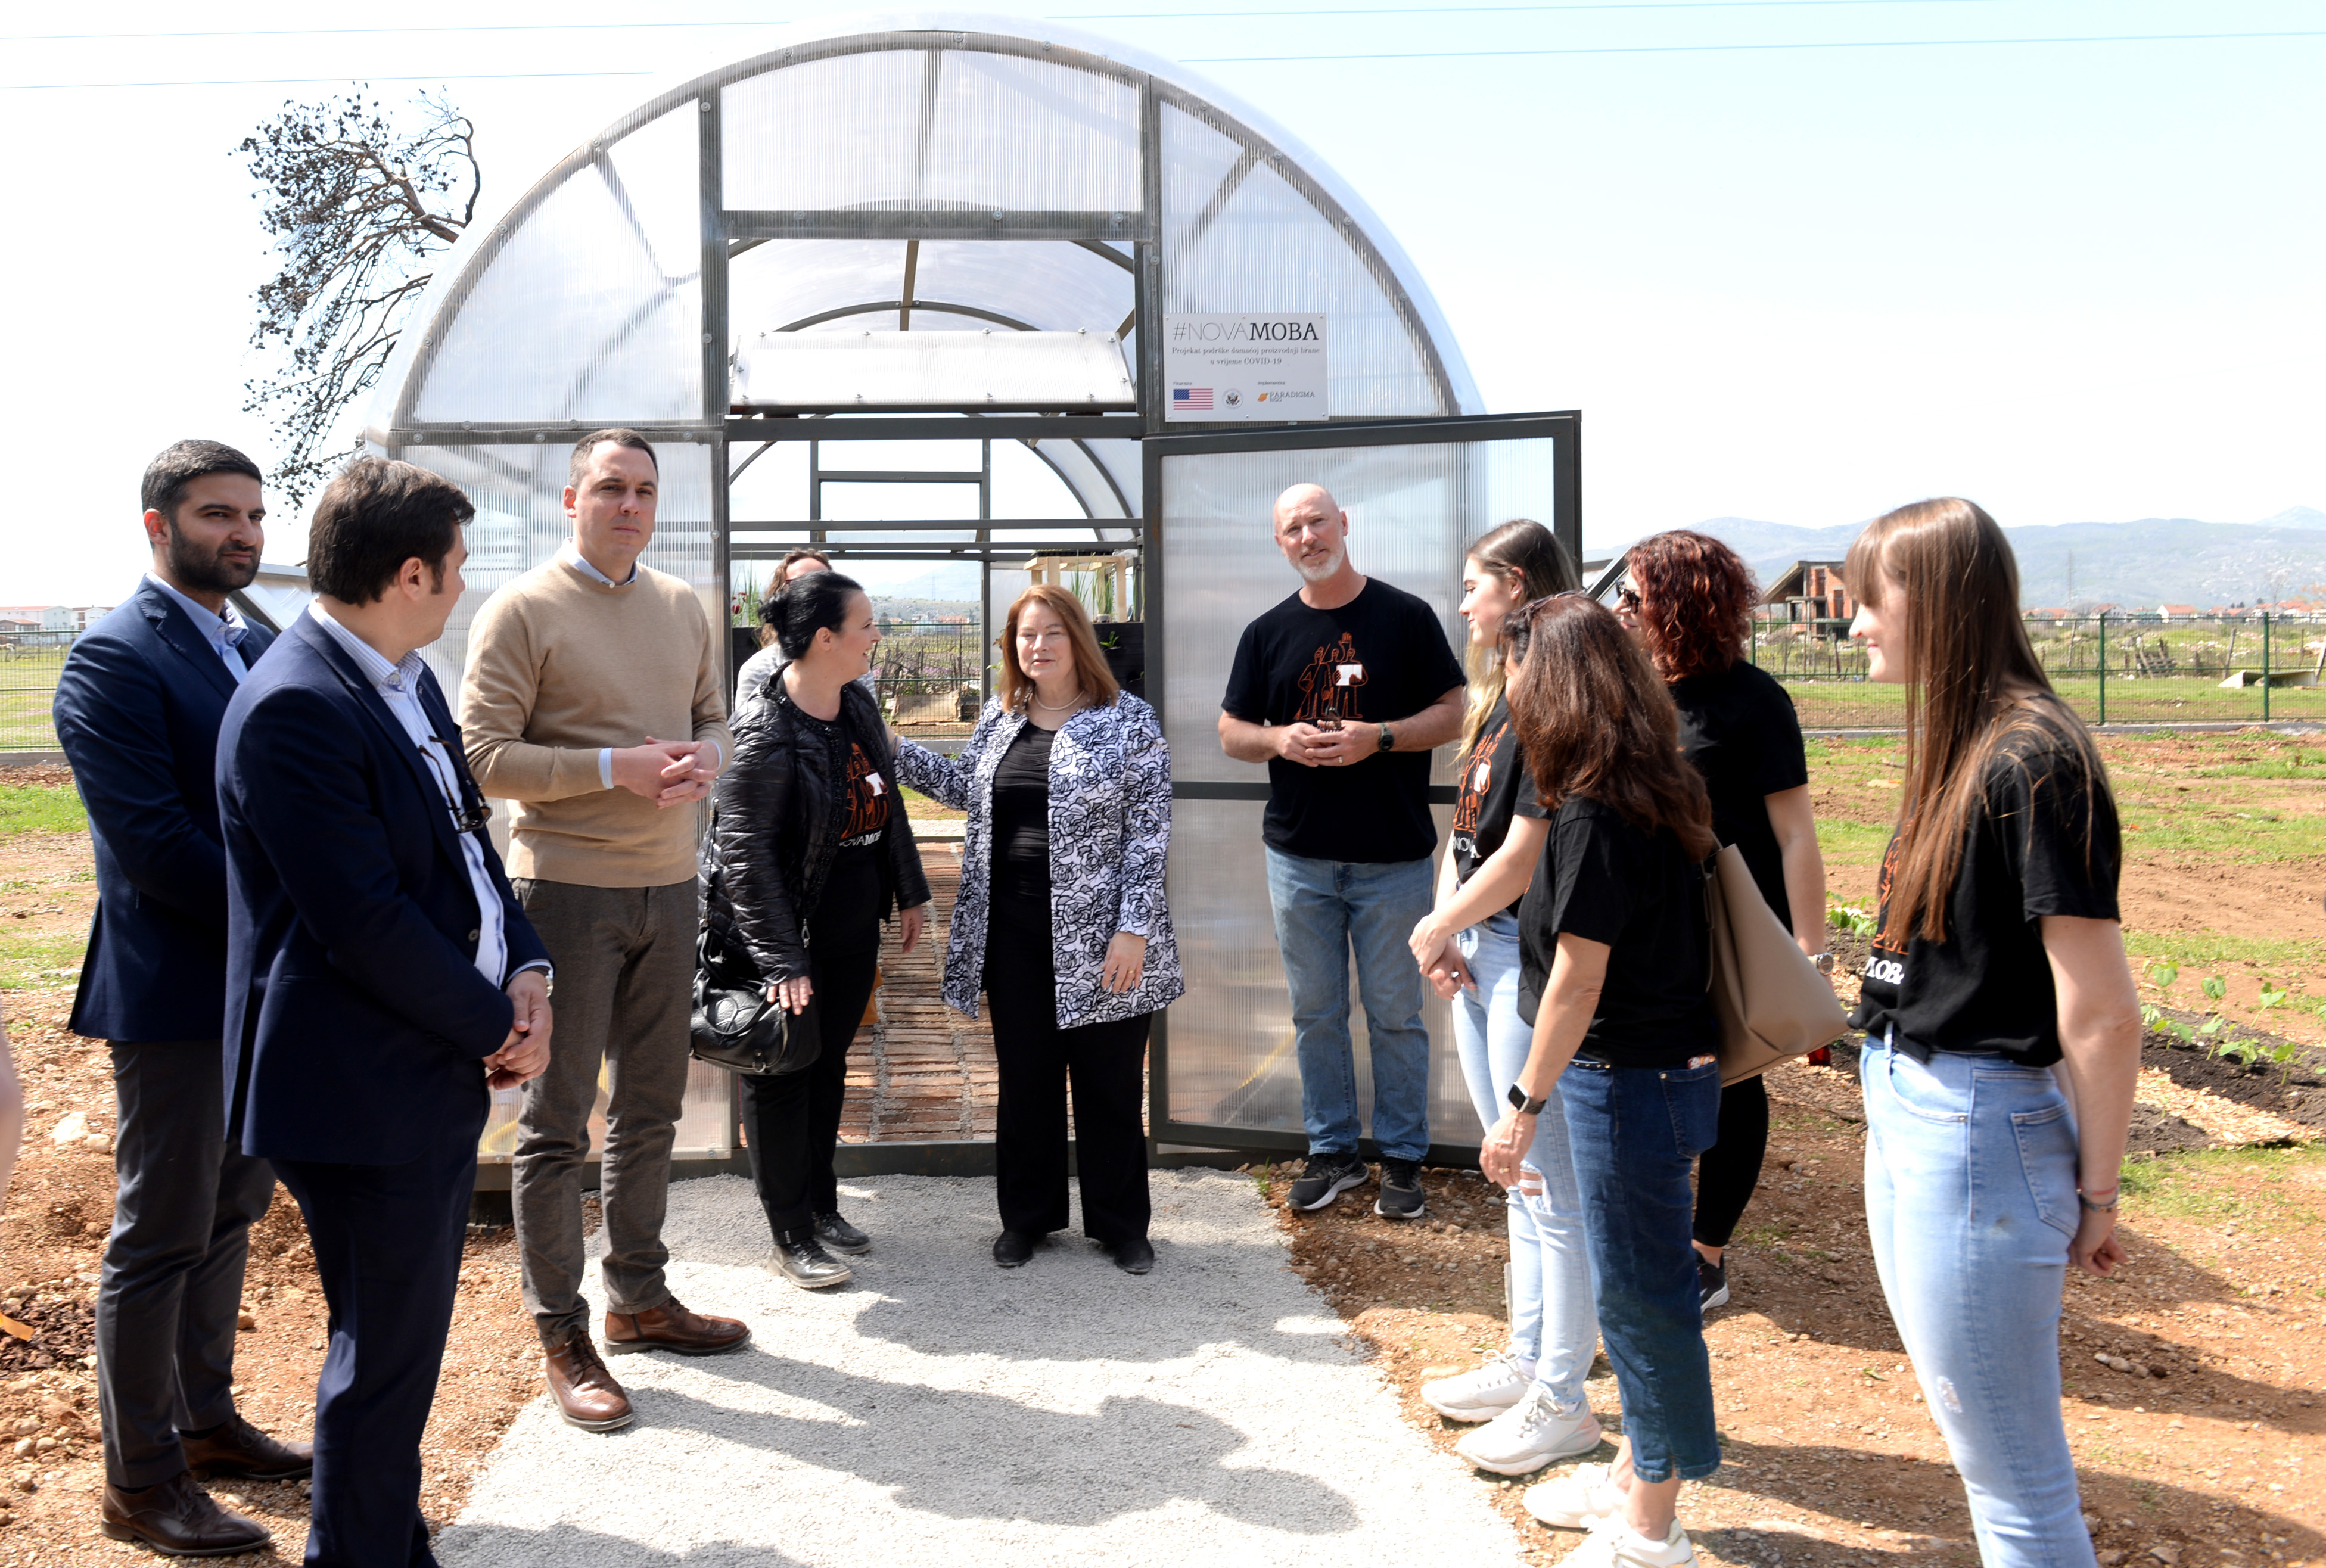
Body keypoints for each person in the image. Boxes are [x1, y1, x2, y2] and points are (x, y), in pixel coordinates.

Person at [218, 457, 554, 1568]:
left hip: (417, 1061)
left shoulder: (398, 676)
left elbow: (468, 845)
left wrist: (529, 970)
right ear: (409, 572)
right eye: (455, 568)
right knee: (386, 1353)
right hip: (361, 1082)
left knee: (396, 1342)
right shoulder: (296, 705)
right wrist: (488, 1025)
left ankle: (380, 1534)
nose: (462, 587)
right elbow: (358, 920)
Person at [1845, 499, 2138, 1568]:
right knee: (1987, 1449)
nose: (1855, 623)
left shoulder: (2031, 758)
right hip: (1917, 1109)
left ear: (1928, 597)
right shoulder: (1973, 743)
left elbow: (2101, 1012)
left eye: (1867, 597)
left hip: (1971, 1128)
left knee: (2012, 1472)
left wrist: (2094, 1194)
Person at [461, 428, 750, 1435]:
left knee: (652, 1109)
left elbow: (716, 715)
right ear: (572, 500)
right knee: (555, 1124)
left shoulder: (681, 607)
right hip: (565, 893)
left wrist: (704, 761)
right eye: (610, 488)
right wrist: (609, 770)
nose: (629, 505)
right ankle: (561, 1329)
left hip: (669, 889)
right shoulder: (522, 609)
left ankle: (638, 1296)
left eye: (643, 491)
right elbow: (483, 755)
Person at [52, 439, 304, 1556]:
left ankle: (204, 1422)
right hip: (175, 990)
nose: (242, 533)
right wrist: (307, 913)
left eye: (252, 514)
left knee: (230, 1208)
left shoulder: (257, 638)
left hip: (260, 988)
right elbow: (154, 845)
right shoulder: (112, 658)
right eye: (217, 514)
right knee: (157, 1231)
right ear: (158, 524)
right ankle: (140, 1480)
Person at [1479, 595, 1722, 1568]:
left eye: (1514, 671)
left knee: (1641, 1302)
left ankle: (1650, 1530)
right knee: (1642, 1292)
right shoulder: (1645, 781)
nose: (1504, 692)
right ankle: (1636, 1477)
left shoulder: (1592, 811)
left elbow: (1578, 979)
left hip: (1625, 1081)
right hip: (1648, 1079)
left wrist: (1518, 1111)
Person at [892, 584, 1183, 1273]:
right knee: (1027, 1081)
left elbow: (1149, 832)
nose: (1038, 646)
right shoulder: (1001, 718)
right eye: (1025, 635)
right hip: (1012, 931)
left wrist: (1133, 928)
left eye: (1051, 632)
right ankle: (1027, 1218)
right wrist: (894, 747)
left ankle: (1121, 1226)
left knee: (1109, 1083)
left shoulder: (1128, 721)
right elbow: (969, 790)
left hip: (1103, 938)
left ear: (1076, 638)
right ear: (1011, 648)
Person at [1405, 521, 1600, 1477]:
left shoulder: (1550, 713)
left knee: (1548, 1183)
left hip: (1516, 957)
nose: (1463, 604)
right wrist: (1445, 923)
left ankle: (1565, 1395)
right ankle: (1529, 1359)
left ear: (1516, 587)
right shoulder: (1500, 702)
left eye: (1472, 586)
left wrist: (1445, 927)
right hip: (1474, 950)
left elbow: (1524, 857)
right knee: (1513, 1175)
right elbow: (1469, 831)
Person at [1218, 483, 1466, 1220]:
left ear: (1344, 524)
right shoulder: (1266, 633)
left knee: (1396, 1013)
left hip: (1391, 858)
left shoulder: (1405, 617)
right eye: (1291, 528)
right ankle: (1332, 1151)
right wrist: (1278, 739)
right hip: (1299, 857)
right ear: (1280, 543)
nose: (1306, 537)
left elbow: (1453, 712)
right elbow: (1232, 730)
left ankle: (1402, 1158)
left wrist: (1379, 736)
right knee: (1316, 1011)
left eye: (1316, 522)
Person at [1615, 531, 1830, 1312]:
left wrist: (1812, 953)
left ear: (1679, 606)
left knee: (1732, 1082)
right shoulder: (1630, 691)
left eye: (1634, 599)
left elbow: (1796, 831)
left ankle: (1706, 1254)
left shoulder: (1755, 702)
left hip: (1730, 926)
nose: (1621, 612)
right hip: (1645, 928)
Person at [702, 571, 932, 1288]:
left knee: (829, 1062)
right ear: (825, 638)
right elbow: (743, 857)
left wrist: (910, 891)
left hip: (850, 921)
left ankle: (823, 1204)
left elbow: (884, 802)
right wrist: (780, 961)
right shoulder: (765, 729)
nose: (876, 637)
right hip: (787, 933)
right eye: (865, 625)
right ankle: (791, 1231)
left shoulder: (857, 704)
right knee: (783, 1071)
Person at [733, 547, 850, 726]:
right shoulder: (758, 671)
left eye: (826, 584)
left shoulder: (853, 669)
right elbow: (747, 741)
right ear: (781, 598)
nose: (814, 592)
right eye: (800, 583)